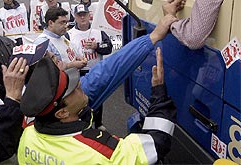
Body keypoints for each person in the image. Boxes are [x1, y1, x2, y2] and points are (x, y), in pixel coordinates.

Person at [18, 46, 176, 164]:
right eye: (73, 89)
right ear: (62, 113)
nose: (79, 84)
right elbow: (156, 143)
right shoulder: (99, 152)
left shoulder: (28, 136)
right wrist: (159, 93)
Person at [66, 4, 113, 130]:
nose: (82, 18)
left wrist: (96, 46)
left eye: (84, 15)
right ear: (75, 17)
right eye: (79, 15)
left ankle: (98, 123)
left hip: (96, 70)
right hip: (79, 72)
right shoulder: (69, 34)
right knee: (80, 99)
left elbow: (109, 48)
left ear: (89, 15)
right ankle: (82, 124)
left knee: (98, 97)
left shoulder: (99, 32)